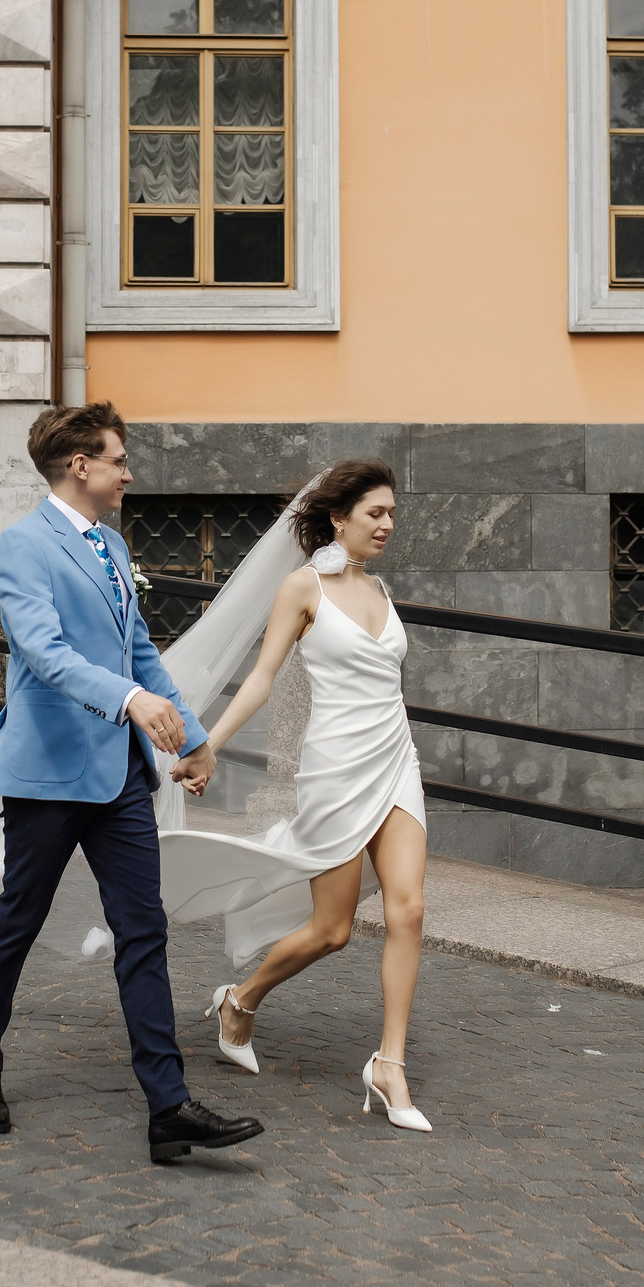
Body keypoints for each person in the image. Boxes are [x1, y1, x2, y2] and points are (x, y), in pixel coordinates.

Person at [0, 402, 267, 1166]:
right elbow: (42, 651)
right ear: (79, 466)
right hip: (51, 772)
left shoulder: (114, 545)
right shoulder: (25, 545)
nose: (129, 471)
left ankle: (168, 1108)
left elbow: (138, 650)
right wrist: (130, 700)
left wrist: (191, 736)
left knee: (144, 929)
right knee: (18, 921)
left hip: (121, 774)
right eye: (119, 458)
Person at [167, 460, 432, 1132]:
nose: (388, 524)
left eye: (392, 513)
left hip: (395, 759)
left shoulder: (379, 589)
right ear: (338, 516)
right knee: (332, 930)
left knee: (410, 909)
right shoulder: (302, 586)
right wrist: (209, 743)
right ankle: (241, 999)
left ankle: (389, 1064)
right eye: (376, 512)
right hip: (335, 771)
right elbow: (260, 679)